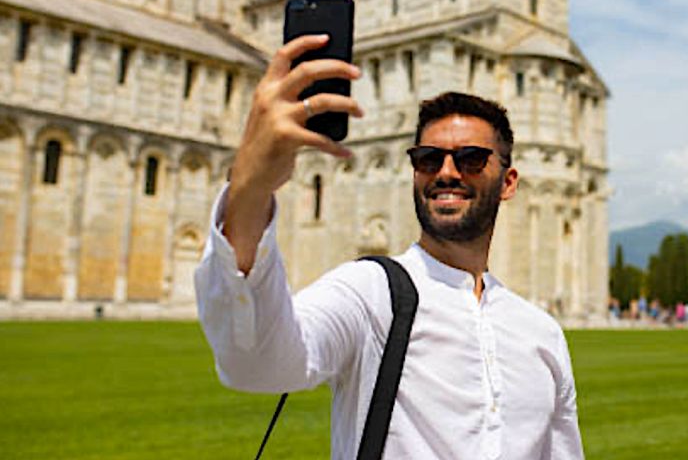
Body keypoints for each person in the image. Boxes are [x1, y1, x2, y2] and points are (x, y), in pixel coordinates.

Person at [195, 35, 584, 459]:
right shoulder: (369, 293)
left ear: (508, 182)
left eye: (471, 159)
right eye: (428, 159)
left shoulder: (541, 335)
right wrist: (250, 186)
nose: (447, 172)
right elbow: (257, 363)